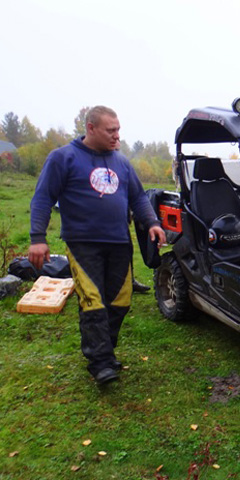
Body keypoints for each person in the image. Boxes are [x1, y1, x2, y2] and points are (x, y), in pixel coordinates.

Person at [28, 106, 166, 385]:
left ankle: (104, 350)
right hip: (83, 244)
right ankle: (100, 361)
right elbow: (43, 197)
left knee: (121, 301)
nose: (117, 136)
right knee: (92, 300)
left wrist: (152, 222)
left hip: (118, 243)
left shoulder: (121, 163)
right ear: (90, 128)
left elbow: (138, 197)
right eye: (110, 130)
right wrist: (37, 239)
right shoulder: (63, 158)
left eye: (118, 130)